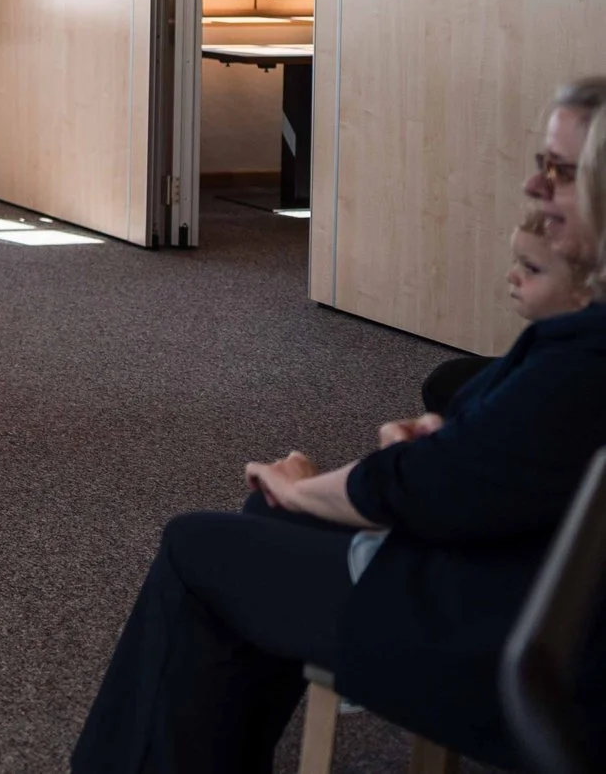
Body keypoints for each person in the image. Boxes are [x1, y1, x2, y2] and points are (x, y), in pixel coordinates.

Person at [70, 93, 606, 772]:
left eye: (561, 170)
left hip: (490, 626)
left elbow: (424, 489)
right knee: (262, 523)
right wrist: (455, 437)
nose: (535, 184)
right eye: (541, 162)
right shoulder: (583, 346)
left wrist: (304, 488)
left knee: (194, 545)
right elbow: (502, 467)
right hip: (513, 582)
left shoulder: (586, 359)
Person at [419, 75, 603, 415]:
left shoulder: (576, 367)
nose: (532, 185)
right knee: (449, 381)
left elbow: (407, 467)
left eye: (561, 171)